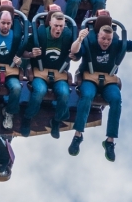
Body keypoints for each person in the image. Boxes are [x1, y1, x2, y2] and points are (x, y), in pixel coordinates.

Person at [68, 15, 132, 161]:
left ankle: (110, 141)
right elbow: (74, 52)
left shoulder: (117, 43)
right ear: (98, 35)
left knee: (116, 99)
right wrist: (80, 39)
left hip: (108, 80)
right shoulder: (89, 41)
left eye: (108, 39)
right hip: (90, 77)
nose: (106, 42)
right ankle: (78, 135)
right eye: (103, 39)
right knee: (87, 95)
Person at [21, 7, 86, 138]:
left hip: (59, 72)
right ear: (50, 23)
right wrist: (31, 54)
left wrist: (76, 55)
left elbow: (78, 53)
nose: (58, 29)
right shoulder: (40, 34)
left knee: (64, 93)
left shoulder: (67, 35)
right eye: (56, 26)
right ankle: (27, 118)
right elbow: (21, 51)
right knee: (39, 91)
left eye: (61, 26)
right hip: (40, 70)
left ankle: (56, 121)